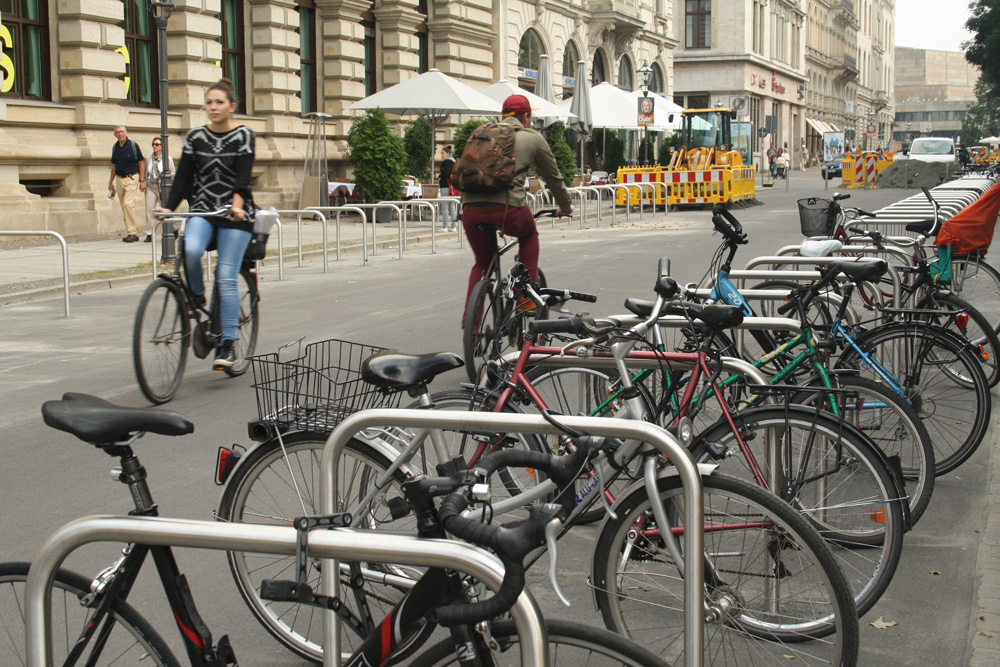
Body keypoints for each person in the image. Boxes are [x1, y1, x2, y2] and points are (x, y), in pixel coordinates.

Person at [158, 79, 258, 370]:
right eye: (209, 102)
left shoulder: (243, 136)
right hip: (202, 209)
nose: (213, 107)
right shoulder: (195, 138)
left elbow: (242, 179)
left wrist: (237, 207)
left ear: (231, 106)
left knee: (226, 276)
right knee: (189, 249)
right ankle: (198, 295)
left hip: (234, 214)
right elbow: (183, 179)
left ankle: (227, 344)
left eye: (219, 102)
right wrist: (169, 206)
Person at [461, 94, 573, 320]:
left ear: (503, 116)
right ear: (527, 117)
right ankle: (525, 298)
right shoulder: (532, 137)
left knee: (482, 263)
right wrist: (565, 206)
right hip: (507, 211)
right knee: (529, 235)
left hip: (470, 209)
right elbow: (553, 178)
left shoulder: (480, 134)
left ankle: (472, 325)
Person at [108, 126, 146, 243]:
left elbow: (141, 163)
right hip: (119, 179)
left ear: (126, 133)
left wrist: (141, 180)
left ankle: (132, 232)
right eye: (117, 132)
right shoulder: (115, 147)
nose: (120, 134)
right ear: (115, 135)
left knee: (127, 204)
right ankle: (131, 231)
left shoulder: (133, 146)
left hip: (131, 177)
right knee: (124, 206)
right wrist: (111, 182)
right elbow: (114, 166)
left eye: (122, 132)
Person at [142, 136, 176, 243]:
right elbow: (146, 172)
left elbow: (172, 173)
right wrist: (143, 181)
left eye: (157, 144)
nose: (154, 146)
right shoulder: (149, 158)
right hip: (151, 186)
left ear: (162, 146)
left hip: (163, 187)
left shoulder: (167, 158)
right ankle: (150, 233)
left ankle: (174, 228)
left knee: (166, 209)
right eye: (153, 144)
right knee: (149, 209)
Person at [438, 145, 457, 232]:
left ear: (448, 154)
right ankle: (453, 226)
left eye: (443, 153)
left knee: (445, 206)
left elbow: (446, 174)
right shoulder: (453, 162)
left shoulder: (446, 162)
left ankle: (445, 226)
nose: (442, 155)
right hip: (452, 186)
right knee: (452, 206)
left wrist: (439, 175)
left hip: (445, 186)